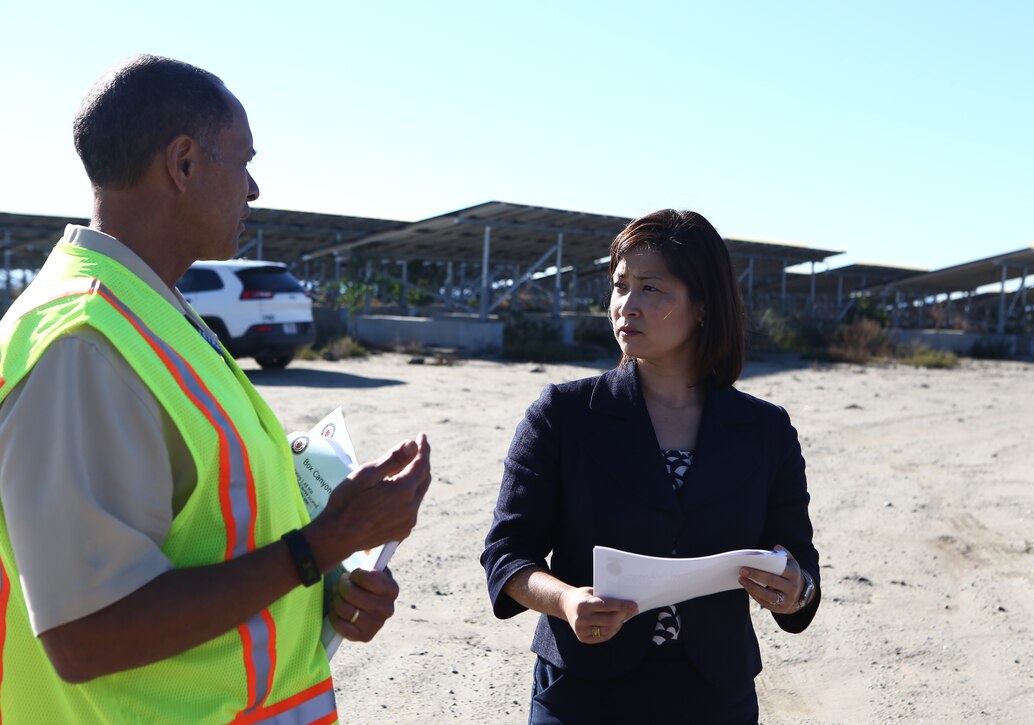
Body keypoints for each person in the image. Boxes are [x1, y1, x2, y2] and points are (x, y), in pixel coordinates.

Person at [0, 55, 431, 722]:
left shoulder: (151, 309)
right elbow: (86, 633)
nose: (254, 188)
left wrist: (324, 584)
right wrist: (320, 544)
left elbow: (206, 533)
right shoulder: (83, 343)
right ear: (184, 164)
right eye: (244, 160)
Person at [481, 209, 820, 724]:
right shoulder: (563, 415)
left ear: (703, 306)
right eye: (620, 286)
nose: (626, 306)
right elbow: (507, 553)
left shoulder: (765, 431)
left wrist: (796, 591)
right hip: (583, 693)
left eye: (650, 289)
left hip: (714, 695)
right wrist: (567, 601)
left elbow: (800, 561)